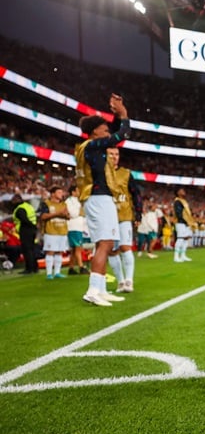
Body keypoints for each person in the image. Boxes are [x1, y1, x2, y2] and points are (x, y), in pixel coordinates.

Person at [75, 94, 129, 306]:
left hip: (96, 197)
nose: (107, 131)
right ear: (95, 131)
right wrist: (123, 114)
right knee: (105, 244)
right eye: (104, 128)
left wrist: (116, 113)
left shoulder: (87, 146)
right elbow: (122, 133)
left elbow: (115, 131)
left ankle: (101, 289)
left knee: (102, 244)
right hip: (98, 197)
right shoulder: (93, 145)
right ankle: (92, 290)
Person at [106, 147, 141, 292]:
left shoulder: (126, 173)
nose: (114, 157)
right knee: (112, 251)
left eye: (116, 154)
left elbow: (136, 194)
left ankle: (129, 281)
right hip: (107, 217)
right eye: (111, 154)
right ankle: (120, 281)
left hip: (124, 216)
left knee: (125, 247)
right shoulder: (101, 173)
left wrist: (138, 214)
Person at [38, 185, 70, 279]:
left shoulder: (64, 204)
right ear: (52, 194)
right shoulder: (46, 203)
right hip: (51, 231)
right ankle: (49, 273)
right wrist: (57, 214)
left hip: (62, 230)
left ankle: (57, 272)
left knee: (59, 252)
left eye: (62, 192)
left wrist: (65, 215)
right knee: (50, 252)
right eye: (59, 192)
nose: (62, 194)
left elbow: (68, 216)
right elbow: (43, 216)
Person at [11, 193, 39, 275]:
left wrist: (31, 226)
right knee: (32, 249)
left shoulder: (20, 209)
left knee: (27, 250)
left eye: (14, 200)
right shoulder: (28, 206)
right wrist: (34, 227)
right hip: (32, 229)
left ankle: (29, 268)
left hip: (25, 229)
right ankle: (35, 267)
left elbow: (25, 220)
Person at [65, 184, 87, 275]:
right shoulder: (69, 201)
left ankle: (71, 268)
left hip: (78, 227)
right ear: (73, 192)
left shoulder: (77, 201)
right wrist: (80, 210)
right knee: (78, 247)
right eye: (77, 190)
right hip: (73, 227)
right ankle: (81, 267)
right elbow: (72, 214)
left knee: (74, 249)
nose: (79, 192)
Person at [171, 188, 195, 262]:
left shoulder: (184, 201)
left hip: (187, 222)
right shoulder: (177, 201)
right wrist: (185, 221)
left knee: (186, 238)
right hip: (180, 222)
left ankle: (183, 255)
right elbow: (178, 213)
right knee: (180, 238)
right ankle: (176, 256)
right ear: (178, 192)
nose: (184, 192)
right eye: (181, 191)